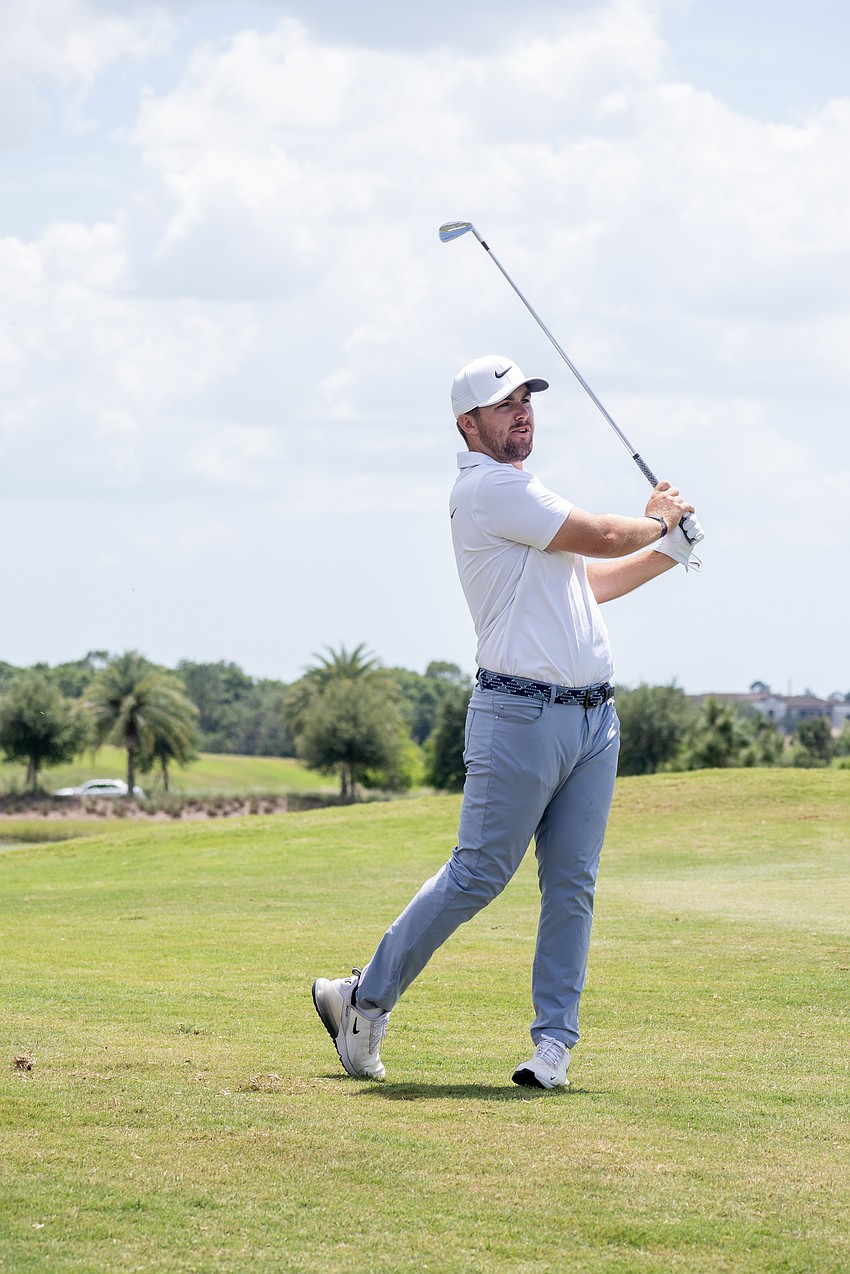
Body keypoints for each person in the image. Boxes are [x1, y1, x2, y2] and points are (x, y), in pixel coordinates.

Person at [312, 353, 703, 1089]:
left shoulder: (525, 495)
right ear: (468, 425)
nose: (521, 411)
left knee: (572, 885)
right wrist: (657, 523)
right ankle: (361, 1001)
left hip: (593, 721)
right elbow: (606, 535)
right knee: (479, 874)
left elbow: (588, 583)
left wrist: (665, 552)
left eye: (526, 399)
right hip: (518, 714)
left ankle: (552, 1048)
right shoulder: (489, 490)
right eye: (503, 404)